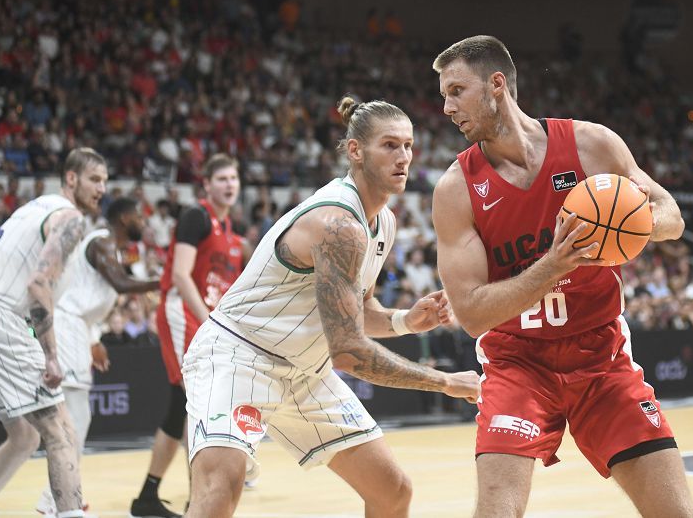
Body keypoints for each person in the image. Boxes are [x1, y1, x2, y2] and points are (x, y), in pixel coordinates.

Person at [431, 36, 693, 517]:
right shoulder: (456, 189)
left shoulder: (591, 144)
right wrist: (554, 263)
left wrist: (626, 225)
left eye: (455, 91)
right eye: (445, 94)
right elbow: (470, 314)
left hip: (602, 356)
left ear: (497, 85)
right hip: (517, 363)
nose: (446, 106)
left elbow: (671, 215)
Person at [183, 97, 480, 518]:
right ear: (355, 151)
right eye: (390, 146)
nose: (404, 158)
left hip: (305, 370)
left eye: (409, 146)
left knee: (392, 492)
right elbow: (349, 351)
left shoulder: (385, 223)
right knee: (220, 491)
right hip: (239, 356)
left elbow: (357, 311)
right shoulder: (337, 224)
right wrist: (444, 382)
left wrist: (404, 321)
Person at [0, 148, 108, 518]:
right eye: (94, 179)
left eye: (104, 180)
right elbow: (38, 285)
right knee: (62, 431)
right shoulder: (70, 219)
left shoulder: (34, 208)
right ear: (71, 179)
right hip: (1, 319)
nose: (102, 188)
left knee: (25, 437)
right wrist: (51, 354)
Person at [131, 155, 244, 518]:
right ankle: (197, 498)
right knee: (195, 402)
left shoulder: (230, 230)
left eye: (233, 177)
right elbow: (180, 275)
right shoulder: (197, 216)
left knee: (179, 407)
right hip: (183, 313)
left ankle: (148, 497)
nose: (229, 184)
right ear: (207, 185)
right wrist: (210, 321)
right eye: (222, 178)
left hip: (205, 318)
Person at [36, 197, 162, 516]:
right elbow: (120, 284)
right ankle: (57, 501)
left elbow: (82, 294)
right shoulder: (102, 242)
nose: (143, 222)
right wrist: (167, 280)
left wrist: (93, 338)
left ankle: (60, 496)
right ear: (123, 218)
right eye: (139, 215)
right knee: (74, 418)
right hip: (67, 327)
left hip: (78, 328)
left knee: (76, 418)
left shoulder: (107, 246)